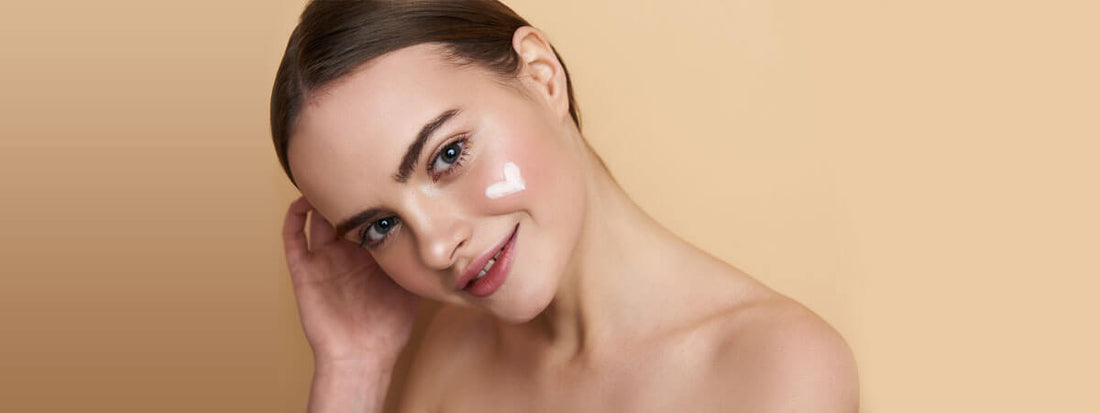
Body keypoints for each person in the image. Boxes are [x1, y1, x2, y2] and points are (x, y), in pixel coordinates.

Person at [271, 1, 859, 411]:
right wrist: (353, 368)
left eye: (448, 155)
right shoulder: (452, 354)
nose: (435, 246)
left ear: (542, 76)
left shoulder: (776, 365)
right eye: (381, 226)